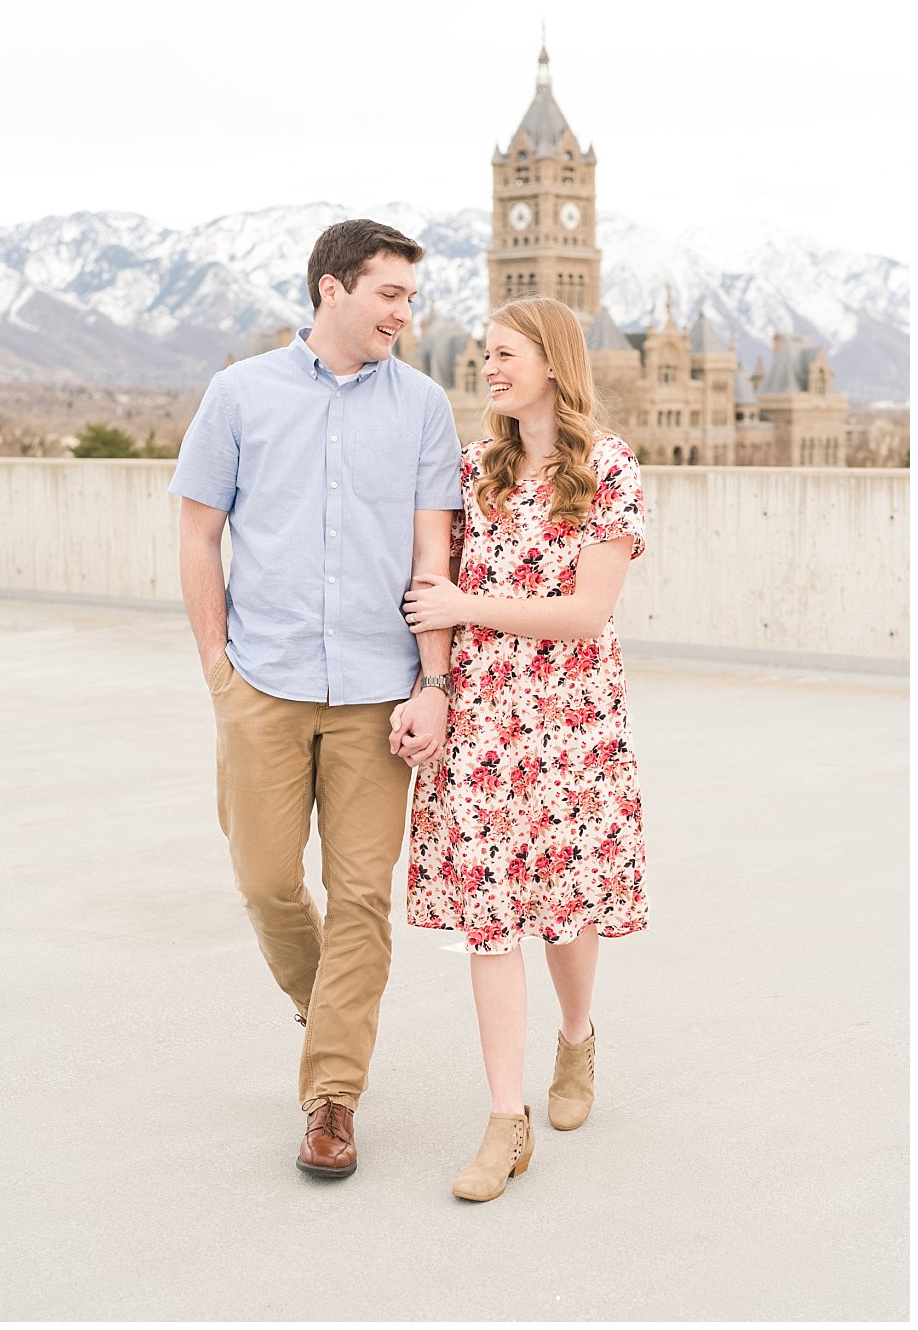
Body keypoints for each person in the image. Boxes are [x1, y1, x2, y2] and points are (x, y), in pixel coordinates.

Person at [172, 218, 462, 1179]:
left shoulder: (423, 406)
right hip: (263, 681)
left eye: (411, 300)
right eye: (390, 295)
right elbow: (199, 534)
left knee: (364, 899)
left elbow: (434, 555)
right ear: (333, 289)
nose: (403, 315)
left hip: (380, 694)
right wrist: (218, 666)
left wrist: (433, 681)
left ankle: (332, 1097)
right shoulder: (239, 394)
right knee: (264, 881)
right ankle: (330, 1001)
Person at [401, 295, 649, 1202]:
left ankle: (577, 1037)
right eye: (482, 355)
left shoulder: (610, 469)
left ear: (552, 360)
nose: (488, 369)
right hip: (483, 727)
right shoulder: (474, 472)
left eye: (503, 354)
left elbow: (587, 614)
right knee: (490, 918)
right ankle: (506, 1120)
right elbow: (427, 577)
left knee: (568, 910)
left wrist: (469, 610)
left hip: (572, 725)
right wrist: (432, 683)